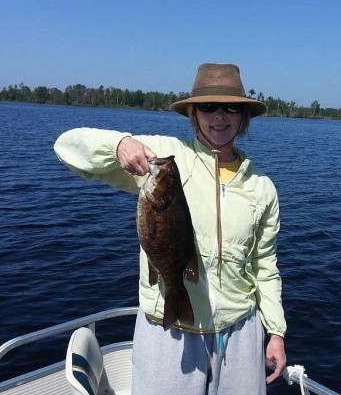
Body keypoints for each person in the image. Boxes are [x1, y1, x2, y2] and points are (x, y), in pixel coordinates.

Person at [54, 63, 286, 394]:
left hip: (240, 331)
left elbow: (265, 266)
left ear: (243, 116)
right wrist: (119, 144)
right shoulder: (165, 158)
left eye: (231, 107)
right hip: (168, 327)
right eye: (207, 106)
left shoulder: (262, 187)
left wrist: (275, 332)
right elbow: (67, 147)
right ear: (193, 113)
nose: (219, 116)